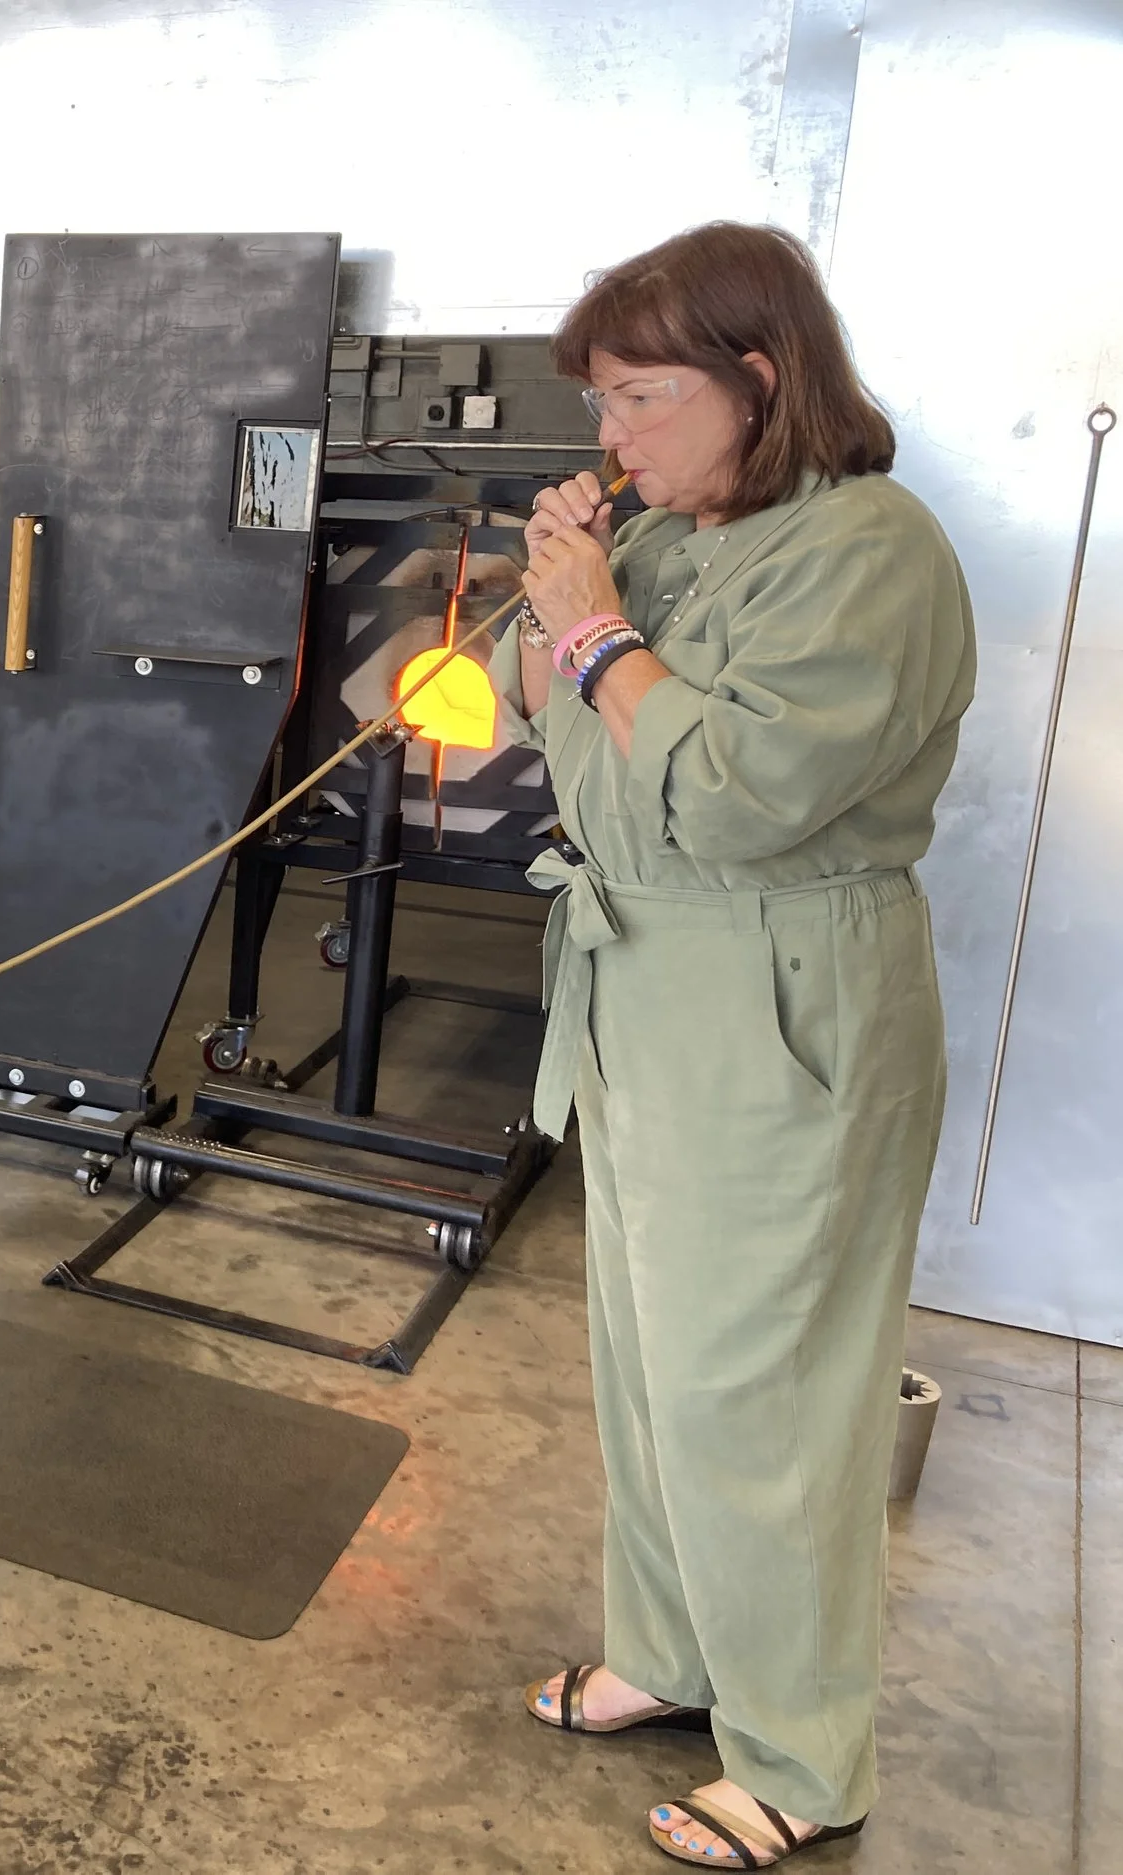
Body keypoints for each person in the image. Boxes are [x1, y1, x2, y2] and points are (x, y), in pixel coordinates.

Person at [487, 223, 974, 1867]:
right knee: (650, 1361)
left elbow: (743, 794)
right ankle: (674, 1654)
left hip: (781, 1000)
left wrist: (600, 634)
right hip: (642, 986)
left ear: (758, 378)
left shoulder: (872, 553)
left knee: (765, 1389)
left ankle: (802, 1754)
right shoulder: (679, 539)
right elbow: (520, 704)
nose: (611, 437)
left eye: (639, 397)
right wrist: (553, 587)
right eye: (602, 405)